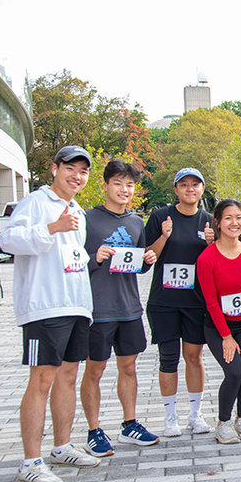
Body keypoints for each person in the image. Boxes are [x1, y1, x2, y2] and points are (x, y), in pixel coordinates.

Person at [1, 145, 100, 482]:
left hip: (75, 306)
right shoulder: (35, 203)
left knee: (68, 377)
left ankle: (61, 446)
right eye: (71, 168)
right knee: (41, 380)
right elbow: (9, 240)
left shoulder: (78, 211)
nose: (77, 176)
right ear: (55, 169)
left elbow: (75, 257)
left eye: (83, 172)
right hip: (44, 308)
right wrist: (52, 227)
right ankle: (31, 461)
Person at [81, 160, 160, 457]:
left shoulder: (136, 222)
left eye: (129, 185)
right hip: (97, 310)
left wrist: (147, 261)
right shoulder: (87, 220)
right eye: (118, 183)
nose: (124, 190)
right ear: (104, 185)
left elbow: (135, 266)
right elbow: (75, 262)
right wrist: (94, 256)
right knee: (95, 370)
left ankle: (130, 424)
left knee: (128, 367)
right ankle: (94, 429)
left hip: (129, 308)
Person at [145, 167, 215, 437]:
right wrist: (164, 236)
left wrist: (212, 243)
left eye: (195, 185)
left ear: (202, 189)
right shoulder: (161, 216)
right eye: (183, 185)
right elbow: (148, 257)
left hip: (195, 301)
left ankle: (195, 415)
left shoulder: (209, 221)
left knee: (194, 357)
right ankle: (169, 416)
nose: (190, 189)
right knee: (168, 358)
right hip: (165, 301)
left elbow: (216, 261)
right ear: (175, 189)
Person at [197, 200, 241, 444]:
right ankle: (223, 422)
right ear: (218, 222)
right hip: (218, 327)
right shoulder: (207, 258)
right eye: (228, 218)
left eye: (239, 218)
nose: (234, 223)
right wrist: (225, 337)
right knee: (234, 372)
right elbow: (211, 302)